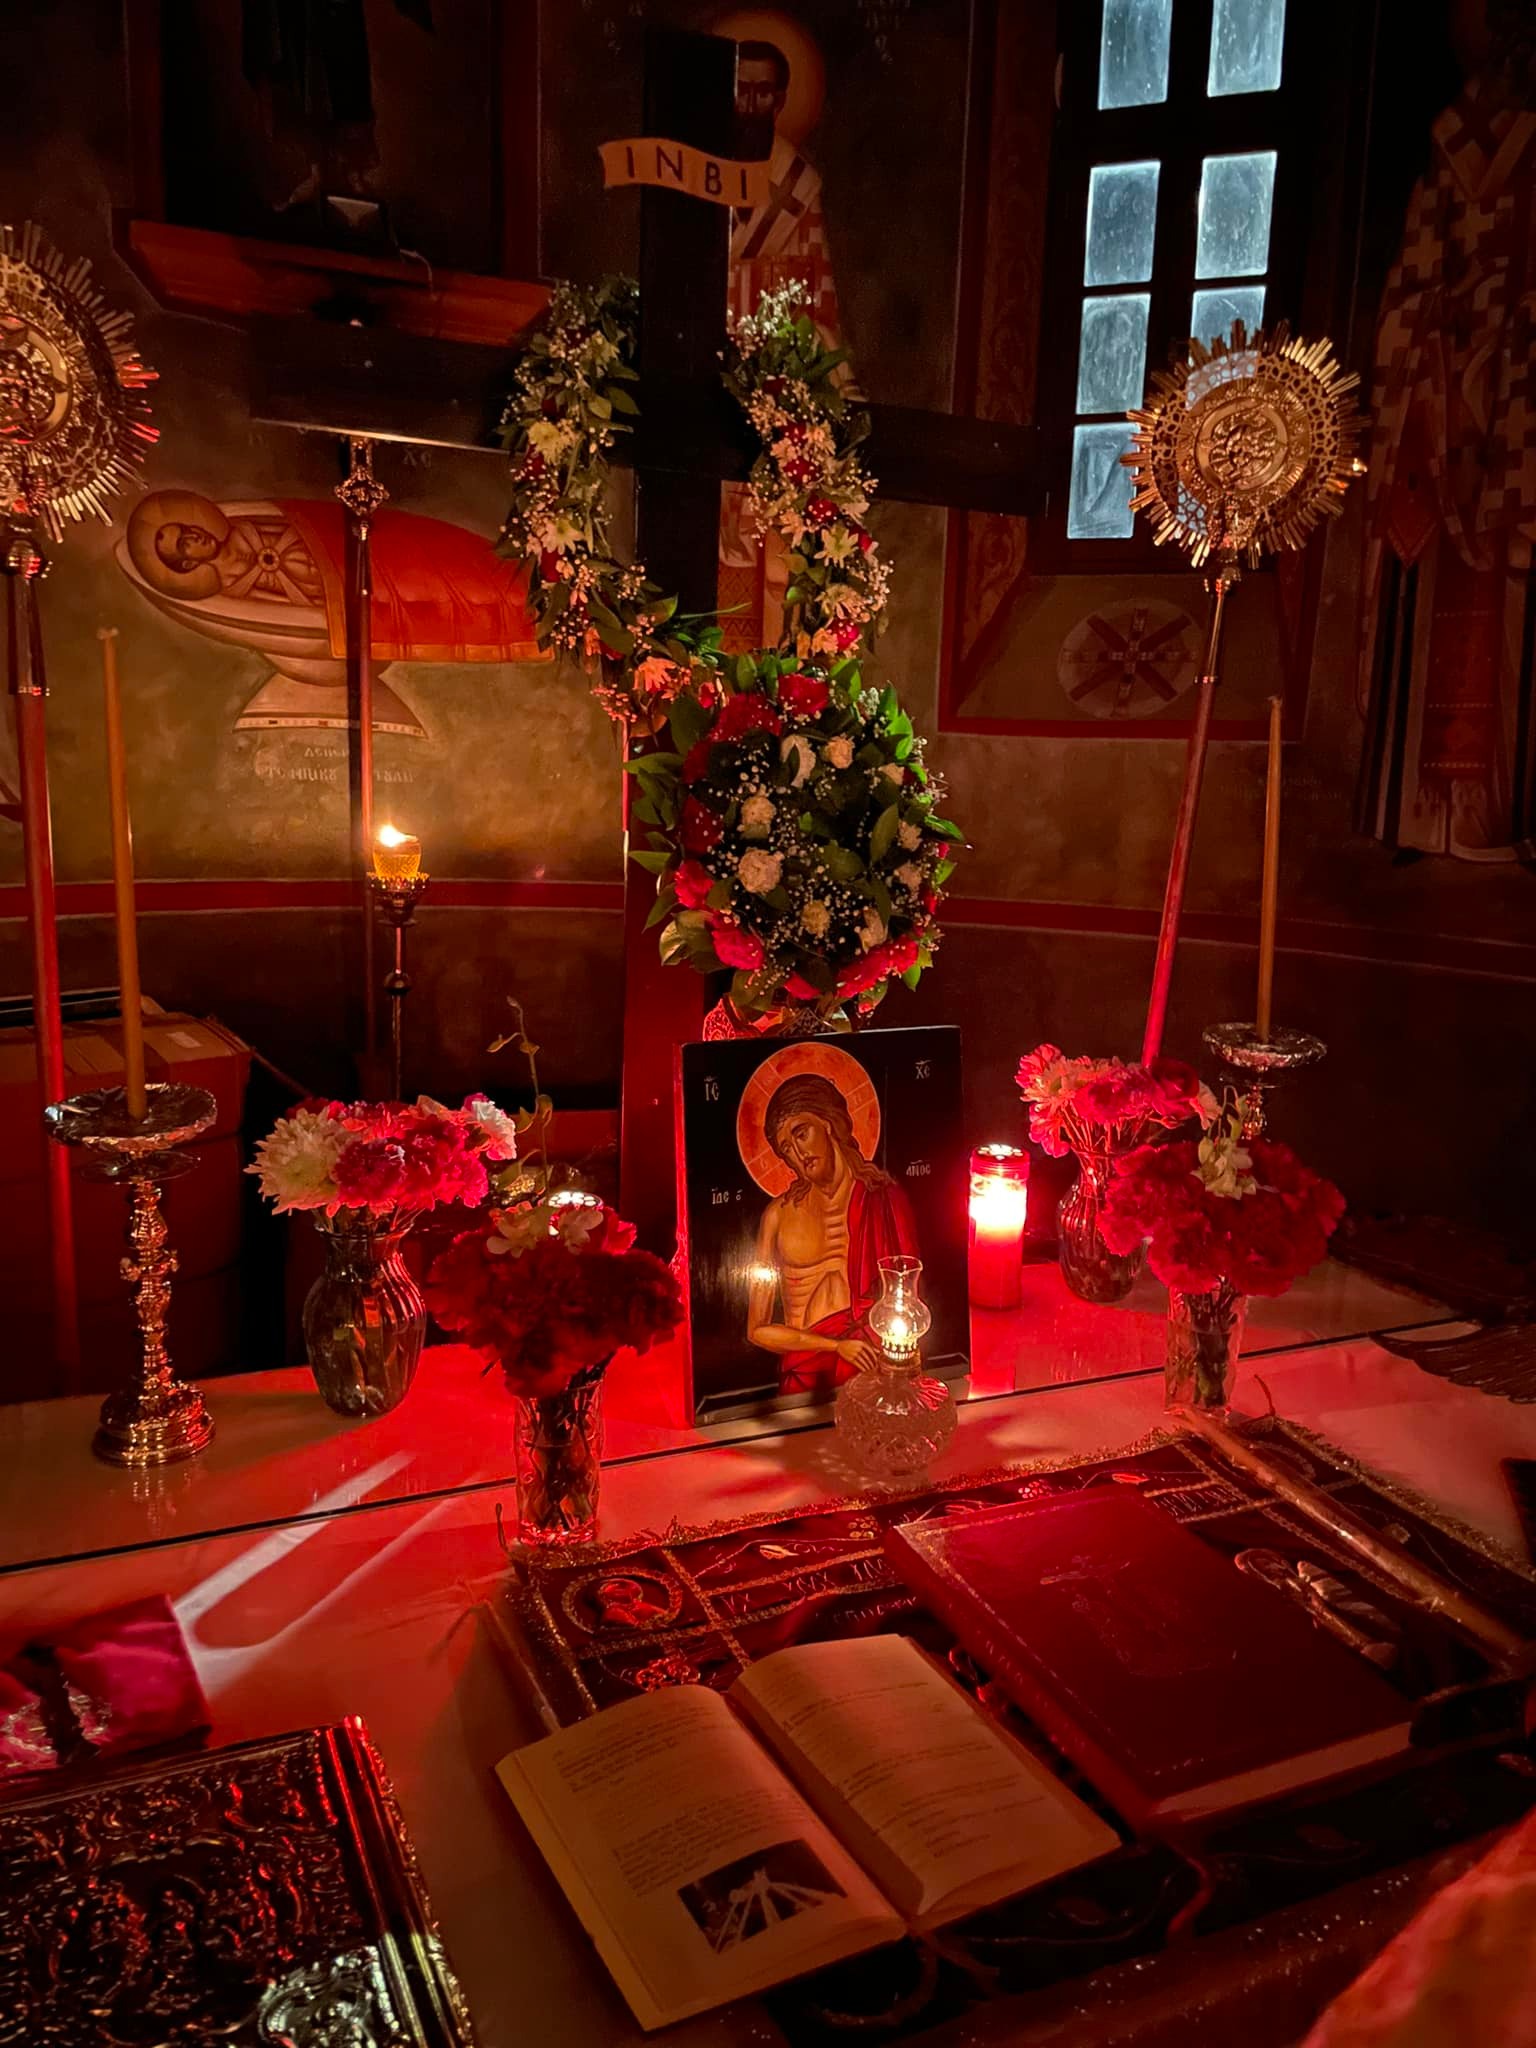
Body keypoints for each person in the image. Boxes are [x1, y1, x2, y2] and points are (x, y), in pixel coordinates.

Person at [746, 1073, 918, 1398]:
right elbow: (757, 1329)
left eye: (801, 1133)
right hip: (805, 1374)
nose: (798, 1153)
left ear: (827, 1123)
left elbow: (910, 1297)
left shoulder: (883, 1200)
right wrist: (836, 1346)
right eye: (786, 1149)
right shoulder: (778, 1216)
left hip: (874, 1367)